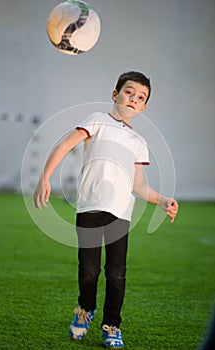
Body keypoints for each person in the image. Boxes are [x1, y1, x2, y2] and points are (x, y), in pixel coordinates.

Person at [33, 71, 179, 349]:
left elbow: (138, 185)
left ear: (144, 107)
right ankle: (85, 309)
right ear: (115, 94)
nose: (134, 99)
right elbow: (65, 145)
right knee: (88, 270)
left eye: (141, 97)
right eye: (129, 92)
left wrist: (162, 200)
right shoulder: (97, 120)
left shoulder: (139, 142)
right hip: (89, 207)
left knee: (116, 273)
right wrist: (44, 178)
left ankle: (112, 325)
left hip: (121, 213)